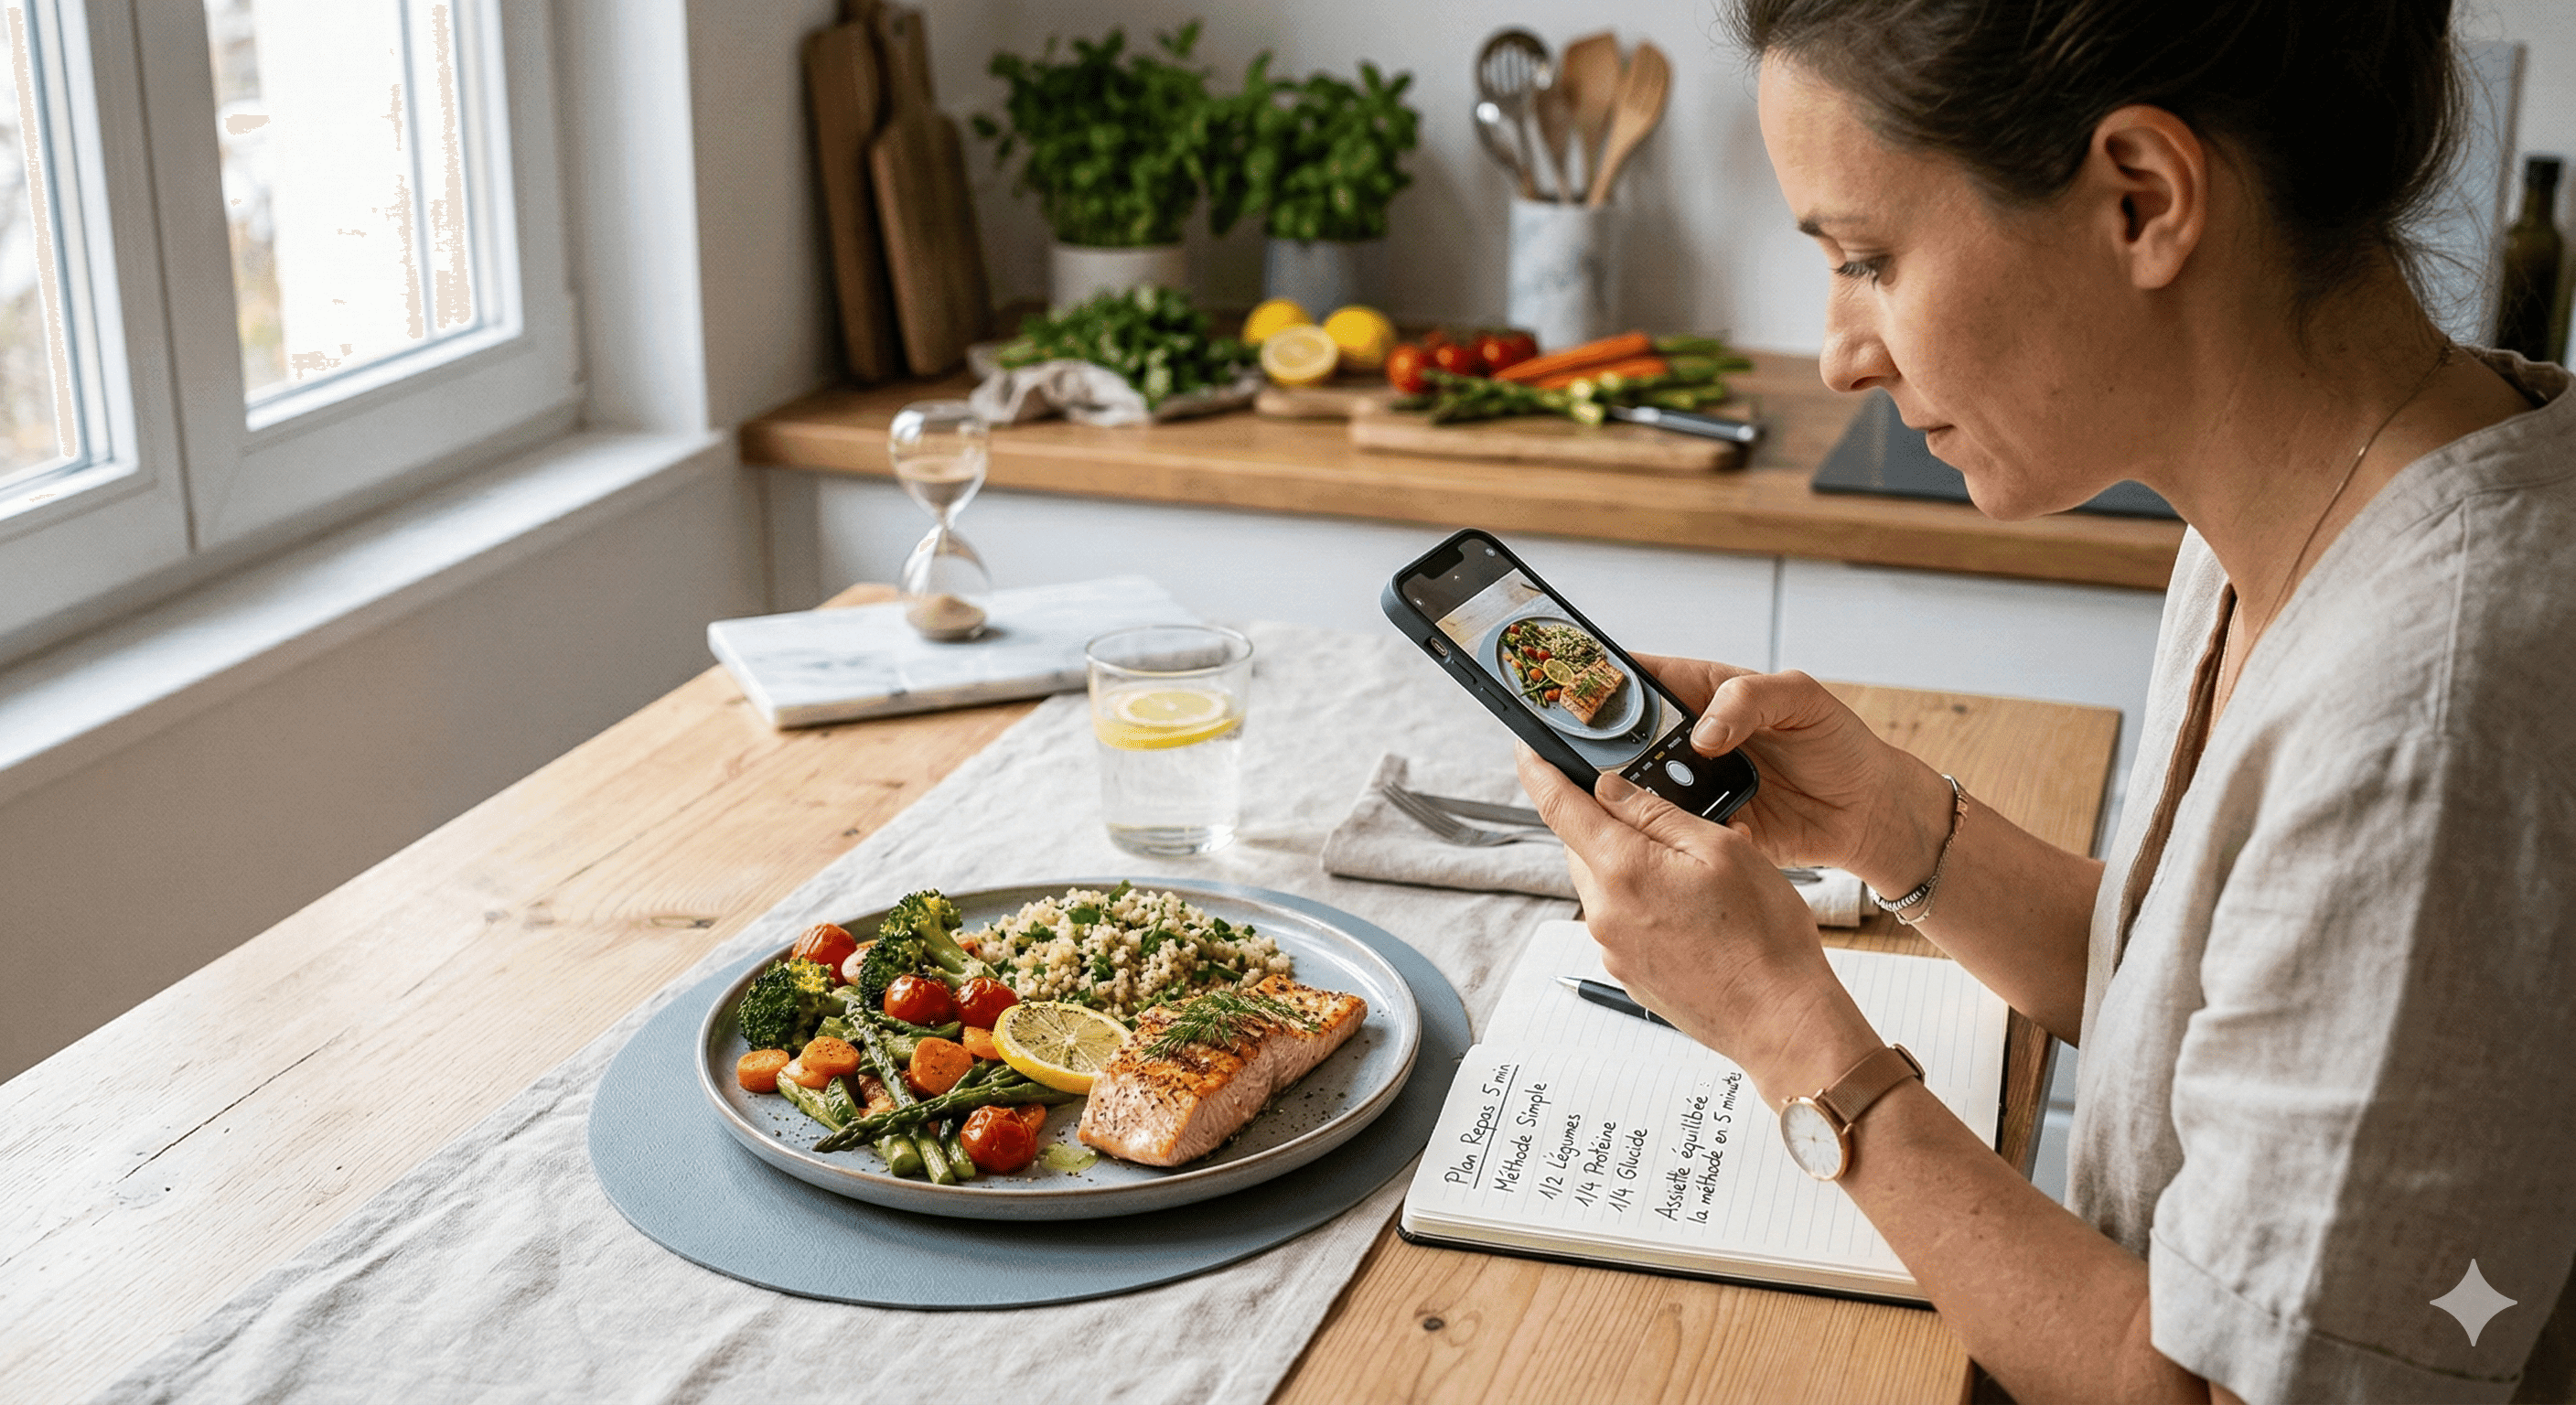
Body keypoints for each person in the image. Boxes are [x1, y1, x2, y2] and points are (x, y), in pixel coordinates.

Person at [1512, 2, 2576, 1400]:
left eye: (1868, 259)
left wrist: (1789, 1032)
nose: (1840, 353)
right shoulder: (2320, 493)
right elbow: (2222, 1000)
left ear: (2142, 199)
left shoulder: (2429, 719)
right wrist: (1890, 821)